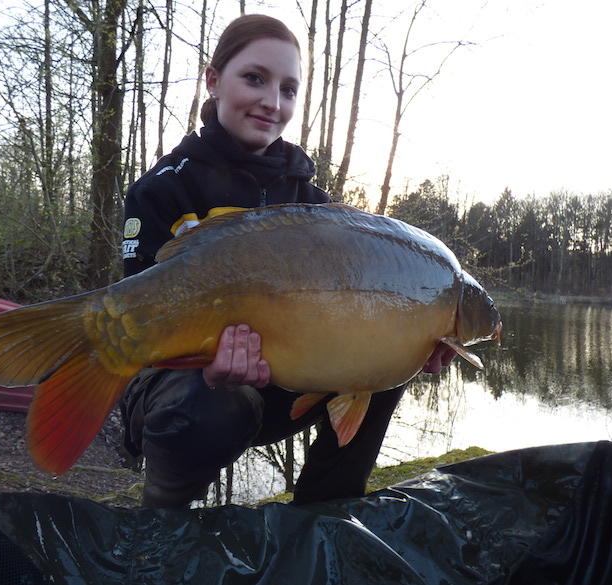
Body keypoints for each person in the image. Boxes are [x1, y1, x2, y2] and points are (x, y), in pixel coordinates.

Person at [119, 14, 455, 508]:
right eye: (254, 78)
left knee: (387, 360)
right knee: (209, 403)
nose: (272, 102)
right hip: (180, 387)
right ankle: (165, 516)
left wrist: (413, 339)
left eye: (289, 89)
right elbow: (140, 326)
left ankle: (326, 514)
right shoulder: (163, 188)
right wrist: (207, 367)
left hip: (285, 385)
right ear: (213, 80)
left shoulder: (315, 206)